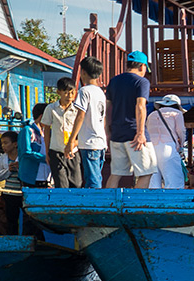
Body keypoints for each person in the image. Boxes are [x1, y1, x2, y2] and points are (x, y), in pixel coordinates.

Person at [105, 51, 151, 189]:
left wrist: (107, 130)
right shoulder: (141, 82)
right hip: (134, 134)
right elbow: (141, 106)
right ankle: (136, 206)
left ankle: (109, 205)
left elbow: (107, 107)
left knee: (116, 174)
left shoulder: (114, 81)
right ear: (142, 66)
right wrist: (141, 132)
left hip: (117, 133)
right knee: (146, 172)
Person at [67, 57, 107, 189]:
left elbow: (80, 115)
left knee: (92, 181)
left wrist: (71, 140)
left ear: (83, 72)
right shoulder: (100, 92)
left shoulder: (84, 91)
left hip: (89, 142)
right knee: (96, 177)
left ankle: (96, 207)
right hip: (100, 141)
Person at [40, 77, 79, 188]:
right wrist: (47, 152)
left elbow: (81, 129)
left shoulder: (77, 110)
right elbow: (46, 130)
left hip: (73, 152)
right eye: (66, 93)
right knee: (61, 184)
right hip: (56, 151)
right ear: (58, 92)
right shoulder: (51, 109)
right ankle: (63, 205)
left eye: (72, 92)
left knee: (77, 183)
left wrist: (76, 143)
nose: (69, 96)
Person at [145, 94, 187, 189]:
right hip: (168, 147)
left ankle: (154, 203)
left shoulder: (151, 115)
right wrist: (181, 143)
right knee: (174, 181)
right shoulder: (177, 113)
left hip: (151, 148)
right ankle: (174, 203)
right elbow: (181, 130)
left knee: (153, 183)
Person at [0, 131, 23, 234]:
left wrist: (20, 168)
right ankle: (12, 239)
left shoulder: (23, 157)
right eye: (2, 143)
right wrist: (9, 170)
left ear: (15, 144)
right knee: (11, 220)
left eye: (6, 143)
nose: (3, 146)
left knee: (28, 219)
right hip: (9, 194)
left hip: (22, 193)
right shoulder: (1, 159)